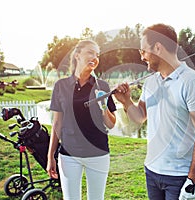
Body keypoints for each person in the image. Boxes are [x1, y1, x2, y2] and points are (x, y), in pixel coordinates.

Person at [114, 23, 195, 200]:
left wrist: (193, 179)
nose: (142, 56)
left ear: (158, 48)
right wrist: (127, 101)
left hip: (180, 177)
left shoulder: (192, 82)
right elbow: (140, 117)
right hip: (151, 171)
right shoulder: (151, 81)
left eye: (143, 51)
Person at [46, 40, 117, 200]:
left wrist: (103, 107)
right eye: (90, 52)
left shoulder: (103, 86)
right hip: (69, 156)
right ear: (77, 55)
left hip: (98, 155)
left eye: (97, 54)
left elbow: (111, 124)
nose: (95, 57)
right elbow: (57, 123)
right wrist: (50, 156)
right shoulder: (61, 86)